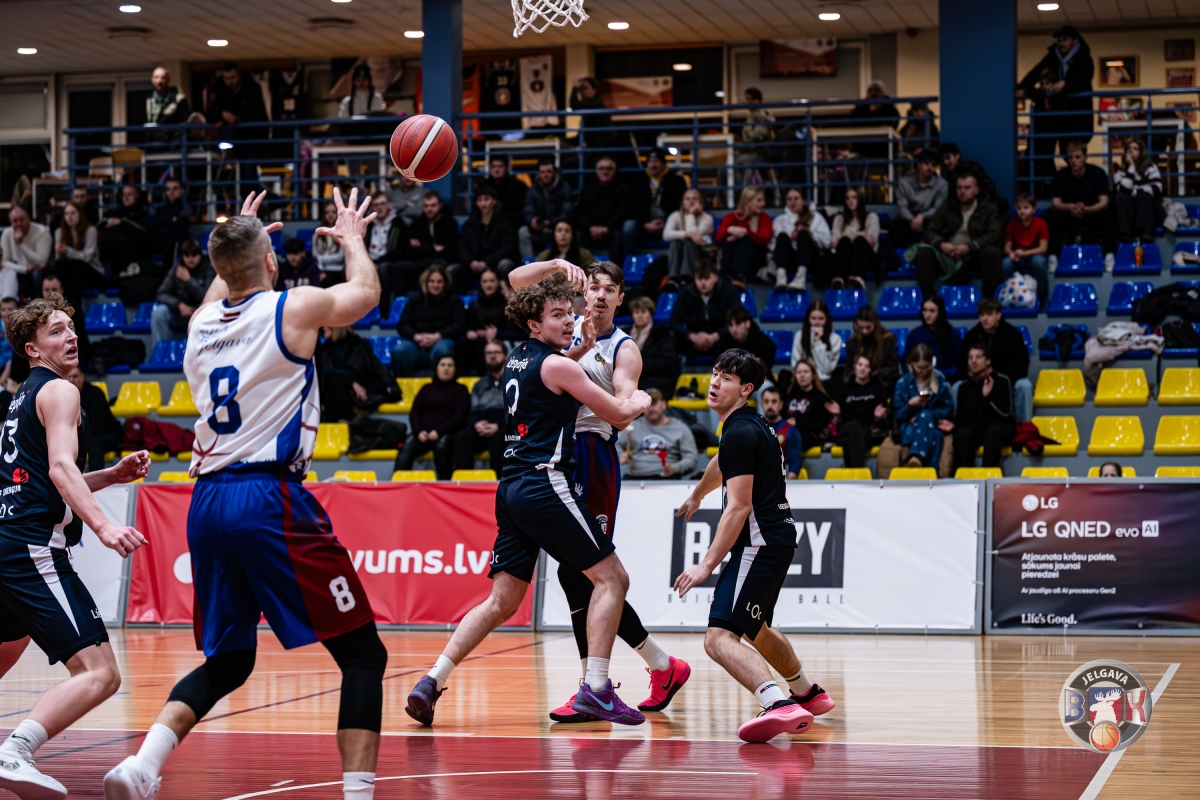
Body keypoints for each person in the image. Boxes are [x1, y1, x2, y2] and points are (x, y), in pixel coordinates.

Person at [104, 189, 388, 800]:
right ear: (271, 261)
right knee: (363, 655)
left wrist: (240, 236)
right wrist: (352, 238)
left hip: (206, 501)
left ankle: (141, 766)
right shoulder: (292, 306)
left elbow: (223, 281)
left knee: (230, 661)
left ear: (219, 267)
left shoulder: (200, 324)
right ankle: (358, 794)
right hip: (267, 496)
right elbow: (366, 295)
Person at [404, 271, 652, 728]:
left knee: (502, 600)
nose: (569, 320)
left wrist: (578, 348)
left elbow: (555, 369)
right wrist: (640, 399)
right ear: (535, 324)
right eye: (558, 315)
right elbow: (618, 415)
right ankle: (597, 688)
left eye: (569, 313)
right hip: (545, 484)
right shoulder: (561, 366)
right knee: (612, 578)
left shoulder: (517, 359)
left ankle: (431, 680)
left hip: (510, 488)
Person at [508, 260, 688, 721]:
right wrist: (554, 264)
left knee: (586, 574)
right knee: (576, 575)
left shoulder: (624, 349)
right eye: (594, 287)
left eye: (610, 289)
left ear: (621, 298)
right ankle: (644, 671)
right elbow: (515, 282)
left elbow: (622, 411)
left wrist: (631, 402)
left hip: (593, 454)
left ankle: (602, 684)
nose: (601, 295)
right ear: (582, 293)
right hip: (557, 454)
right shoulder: (563, 330)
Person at [0, 297, 150, 800]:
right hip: (31, 547)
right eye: (57, 331)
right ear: (32, 349)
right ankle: (14, 752)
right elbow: (61, 470)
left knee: (4, 654)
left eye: (71, 328)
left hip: (7, 543)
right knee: (100, 673)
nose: (71, 336)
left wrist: (110, 475)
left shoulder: (22, 398)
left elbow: (44, 478)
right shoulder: (61, 390)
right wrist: (104, 527)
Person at [674, 349, 835, 743]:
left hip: (758, 544)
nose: (715, 382)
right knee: (756, 628)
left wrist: (706, 564)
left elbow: (739, 507)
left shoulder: (740, 432)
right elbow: (721, 463)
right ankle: (806, 693)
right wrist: (698, 494)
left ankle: (777, 702)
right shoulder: (750, 425)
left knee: (718, 638)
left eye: (726, 378)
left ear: (746, 389)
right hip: (776, 540)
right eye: (715, 373)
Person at [1018, 26, 1095, 183]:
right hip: (1057, 117)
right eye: (1059, 40)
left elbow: (1084, 80)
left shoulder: (1084, 59)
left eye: (1064, 40)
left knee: (1071, 154)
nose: (1061, 43)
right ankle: (1055, 187)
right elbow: (1035, 73)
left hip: (1076, 117)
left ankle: (1079, 186)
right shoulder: (1053, 57)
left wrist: (1065, 84)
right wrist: (1022, 87)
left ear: (1075, 41)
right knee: (1047, 154)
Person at [913, 173, 1004, 301]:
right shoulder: (947, 207)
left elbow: (994, 235)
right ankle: (929, 300)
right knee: (923, 253)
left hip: (973, 254)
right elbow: (929, 232)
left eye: (967, 188)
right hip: (947, 254)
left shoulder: (989, 209)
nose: (962, 191)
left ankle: (987, 301)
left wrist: (970, 247)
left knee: (992, 253)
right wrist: (941, 244)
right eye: (959, 188)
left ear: (976, 190)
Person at [394, 354, 469, 479]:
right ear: (436, 368)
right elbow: (414, 413)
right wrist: (418, 431)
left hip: (447, 433)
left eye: (450, 365)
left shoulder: (461, 389)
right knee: (407, 444)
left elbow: (460, 415)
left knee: (441, 445)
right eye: (442, 365)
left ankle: (445, 484)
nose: (446, 368)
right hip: (422, 434)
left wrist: (439, 432)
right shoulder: (426, 388)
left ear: (455, 370)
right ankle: (398, 483)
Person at [959, 298, 1032, 421]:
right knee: (957, 386)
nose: (985, 319)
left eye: (989, 314)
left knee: (1024, 386)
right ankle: (959, 425)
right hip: (977, 382)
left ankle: (1023, 427)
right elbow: (962, 365)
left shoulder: (1013, 335)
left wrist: (997, 377)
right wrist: (974, 376)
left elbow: (1022, 366)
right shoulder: (971, 336)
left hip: (1006, 383)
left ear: (998, 315)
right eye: (982, 315)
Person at [948, 344, 1015, 473]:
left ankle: (988, 477)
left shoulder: (1002, 381)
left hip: (1000, 426)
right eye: (970, 357)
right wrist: (953, 425)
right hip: (977, 428)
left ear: (988, 360)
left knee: (993, 434)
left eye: (978, 357)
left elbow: (1006, 414)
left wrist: (988, 397)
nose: (973, 361)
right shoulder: (964, 387)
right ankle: (966, 478)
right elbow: (963, 418)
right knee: (962, 435)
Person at [1047, 141, 1114, 267]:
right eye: (1070, 157)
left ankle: (1109, 255)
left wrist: (1087, 209)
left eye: (1077, 157)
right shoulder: (1060, 176)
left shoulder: (1097, 173)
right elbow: (1055, 202)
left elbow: (1104, 201)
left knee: (1108, 214)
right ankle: (1053, 256)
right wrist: (1070, 207)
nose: (1074, 161)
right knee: (1052, 215)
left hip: (1092, 215)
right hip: (1069, 216)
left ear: (1085, 157)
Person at [391, 264, 464, 377]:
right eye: (432, 281)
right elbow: (403, 325)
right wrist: (416, 336)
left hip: (442, 339)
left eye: (439, 282)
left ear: (445, 283)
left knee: (443, 350)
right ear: (425, 282)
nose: (435, 285)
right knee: (398, 351)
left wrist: (438, 336)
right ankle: (404, 386)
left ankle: (440, 386)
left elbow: (459, 325)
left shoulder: (454, 300)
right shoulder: (414, 300)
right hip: (417, 343)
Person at [315, 325, 395, 422]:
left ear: (336, 326)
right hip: (340, 390)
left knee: (334, 382)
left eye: (327, 325)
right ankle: (340, 422)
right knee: (331, 384)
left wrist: (351, 382)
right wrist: (352, 382)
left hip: (364, 389)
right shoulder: (325, 348)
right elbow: (324, 371)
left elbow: (360, 372)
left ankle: (345, 421)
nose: (323, 327)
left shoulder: (356, 344)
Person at [452, 340, 508, 475]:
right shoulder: (479, 384)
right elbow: (472, 411)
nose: (492, 356)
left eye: (496, 352)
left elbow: (518, 411)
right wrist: (476, 424)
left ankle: (500, 484)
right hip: (482, 425)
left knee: (499, 440)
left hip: (505, 425)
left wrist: (498, 425)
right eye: (488, 353)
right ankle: (464, 482)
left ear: (505, 356)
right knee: (461, 438)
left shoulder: (514, 381)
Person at [893, 345, 953, 469]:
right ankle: (931, 472)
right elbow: (897, 414)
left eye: (927, 367)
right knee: (935, 435)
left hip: (933, 423)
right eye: (919, 368)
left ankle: (916, 457)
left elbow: (948, 409)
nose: (923, 371)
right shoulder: (902, 384)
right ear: (911, 364)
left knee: (926, 417)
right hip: (909, 427)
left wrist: (924, 417)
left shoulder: (940, 381)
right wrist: (910, 406)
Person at [617, 388, 698, 479]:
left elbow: (691, 458)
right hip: (635, 477)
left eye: (654, 404)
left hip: (667, 478)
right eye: (647, 406)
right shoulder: (632, 426)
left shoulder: (680, 428)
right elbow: (616, 444)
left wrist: (674, 468)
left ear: (664, 404)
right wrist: (620, 455)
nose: (651, 409)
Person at [669, 260, 742, 360]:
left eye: (707, 278)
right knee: (669, 340)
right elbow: (674, 322)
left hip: (720, 337)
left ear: (715, 277)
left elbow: (737, 318)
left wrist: (714, 337)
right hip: (693, 337)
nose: (703, 283)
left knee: (736, 338)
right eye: (699, 279)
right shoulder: (686, 292)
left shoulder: (729, 291)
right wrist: (692, 336)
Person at [457, 267, 523, 375]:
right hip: (477, 339)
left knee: (485, 343)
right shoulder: (474, 304)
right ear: (480, 283)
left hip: (501, 339)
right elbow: (465, 325)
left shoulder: (506, 305)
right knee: (462, 343)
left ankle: (485, 377)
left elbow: (517, 332)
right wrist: (469, 332)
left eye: (492, 281)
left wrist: (497, 333)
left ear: (498, 282)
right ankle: (461, 377)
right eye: (485, 281)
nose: (488, 285)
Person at [829, 354, 889, 469]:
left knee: (848, 441)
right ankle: (858, 472)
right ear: (854, 367)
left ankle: (852, 472)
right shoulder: (844, 389)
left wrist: (878, 417)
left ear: (871, 370)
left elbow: (883, 420)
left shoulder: (878, 389)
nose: (862, 368)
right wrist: (837, 415)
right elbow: (836, 424)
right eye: (860, 365)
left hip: (868, 432)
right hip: (847, 428)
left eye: (867, 366)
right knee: (853, 427)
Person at [455, 185, 519, 291]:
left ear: (494, 201)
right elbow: (461, 246)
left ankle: (510, 297)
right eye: (479, 200)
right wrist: (471, 261)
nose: (483, 203)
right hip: (474, 266)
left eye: (486, 199)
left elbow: (507, 247)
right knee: (453, 270)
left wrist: (486, 262)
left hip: (495, 263)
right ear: (476, 203)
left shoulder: (505, 222)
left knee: (506, 265)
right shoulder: (469, 224)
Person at [152, 239, 214, 343]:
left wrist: (189, 280)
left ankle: (203, 350)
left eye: (194, 255)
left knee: (206, 310)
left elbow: (208, 298)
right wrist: (179, 305)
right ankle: (161, 350)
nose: (190, 259)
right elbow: (161, 293)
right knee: (158, 313)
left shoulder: (209, 268)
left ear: (200, 255)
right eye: (187, 255)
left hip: (200, 311)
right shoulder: (178, 267)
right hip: (180, 312)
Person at [576, 158, 635, 265]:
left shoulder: (622, 189)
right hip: (590, 230)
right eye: (602, 168)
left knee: (618, 235)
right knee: (579, 235)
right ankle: (585, 269)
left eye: (609, 168)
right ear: (596, 171)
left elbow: (622, 212)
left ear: (614, 171)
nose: (605, 171)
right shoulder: (587, 189)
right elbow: (580, 212)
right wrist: (590, 228)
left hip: (611, 229)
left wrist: (607, 228)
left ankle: (614, 271)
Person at [889, 150, 948, 255]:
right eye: (926, 163)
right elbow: (902, 207)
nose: (930, 167)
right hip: (907, 218)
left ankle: (932, 256)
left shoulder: (941, 184)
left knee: (939, 227)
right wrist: (913, 220)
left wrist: (922, 216)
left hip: (928, 218)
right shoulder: (905, 182)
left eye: (933, 165)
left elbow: (937, 208)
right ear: (919, 165)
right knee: (897, 227)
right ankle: (896, 257)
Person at [398, 191, 459, 291]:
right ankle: (401, 299)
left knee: (438, 266)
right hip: (421, 262)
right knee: (398, 267)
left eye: (433, 206)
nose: (429, 209)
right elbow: (410, 252)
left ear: (440, 206)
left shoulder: (451, 223)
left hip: (442, 262)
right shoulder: (417, 224)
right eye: (426, 206)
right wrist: (433, 249)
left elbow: (449, 252)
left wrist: (422, 248)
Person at [206, 61, 270, 157]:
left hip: (252, 137)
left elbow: (256, 112)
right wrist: (222, 114)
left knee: (249, 162)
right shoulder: (220, 90)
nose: (230, 81)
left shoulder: (252, 88)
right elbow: (212, 112)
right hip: (231, 139)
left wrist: (235, 116)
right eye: (226, 78)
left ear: (239, 76)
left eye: (232, 77)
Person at [771, 188, 830, 291]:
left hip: (810, 260)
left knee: (803, 234)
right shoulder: (780, 220)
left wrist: (810, 234)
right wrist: (790, 239)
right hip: (789, 260)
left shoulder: (816, 217)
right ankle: (781, 277)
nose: (792, 202)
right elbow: (771, 245)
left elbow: (827, 242)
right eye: (789, 199)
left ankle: (801, 277)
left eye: (796, 198)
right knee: (782, 236)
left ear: (803, 201)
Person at [67, 365, 122, 472]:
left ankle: (97, 478)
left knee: (93, 443)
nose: (71, 380)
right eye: (68, 377)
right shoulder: (64, 395)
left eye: (75, 376)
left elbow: (97, 426)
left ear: (83, 377)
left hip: (108, 433)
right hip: (84, 434)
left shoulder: (95, 393)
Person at [715, 186, 772, 288]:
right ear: (748, 202)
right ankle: (728, 275)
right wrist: (729, 231)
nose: (763, 204)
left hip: (755, 260)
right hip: (732, 258)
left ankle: (738, 276)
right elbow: (719, 239)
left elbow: (765, 239)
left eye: (763, 200)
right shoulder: (731, 216)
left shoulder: (764, 218)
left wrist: (746, 232)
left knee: (747, 240)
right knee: (728, 240)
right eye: (759, 201)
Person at [1001, 193, 1051, 310]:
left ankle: (1043, 298)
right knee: (1006, 263)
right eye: (1019, 208)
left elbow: (1043, 248)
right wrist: (1011, 254)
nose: (1022, 211)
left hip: (1035, 256)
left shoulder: (1041, 223)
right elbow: (1007, 247)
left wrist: (1024, 253)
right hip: (1018, 257)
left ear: (1034, 209)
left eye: (1026, 208)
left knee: (1038, 262)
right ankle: (1006, 295)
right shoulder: (1012, 224)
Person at [630, 148, 688, 247]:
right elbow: (634, 205)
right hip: (644, 223)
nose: (653, 165)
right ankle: (630, 256)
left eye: (656, 161)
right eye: (650, 162)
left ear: (663, 163)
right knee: (629, 227)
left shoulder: (676, 180)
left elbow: (680, 204)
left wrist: (667, 222)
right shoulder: (638, 181)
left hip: (669, 222)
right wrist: (645, 223)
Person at [519, 157, 575, 259]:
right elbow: (527, 210)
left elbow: (567, 214)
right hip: (538, 230)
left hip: (556, 228)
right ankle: (529, 265)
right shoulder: (533, 190)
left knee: (565, 231)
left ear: (555, 172)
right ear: (538, 173)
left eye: (549, 171)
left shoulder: (565, 188)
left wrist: (549, 222)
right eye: (542, 172)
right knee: (523, 232)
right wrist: (532, 221)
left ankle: (563, 262)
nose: (545, 175)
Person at [624, 295, 678, 398]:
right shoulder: (624, 333)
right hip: (629, 379)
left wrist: (639, 365)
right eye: (636, 312)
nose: (640, 315)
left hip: (655, 380)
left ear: (650, 313)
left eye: (643, 312)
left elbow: (668, 362)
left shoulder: (662, 333)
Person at [1112, 137, 1162, 244]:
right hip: (1131, 213)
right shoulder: (1119, 173)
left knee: (1143, 197)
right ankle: (1125, 235)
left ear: (1141, 152)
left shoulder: (1151, 168)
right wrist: (1131, 168)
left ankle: (1145, 233)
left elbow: (1157, 190)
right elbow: (1123, 191)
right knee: (1123, 199)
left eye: (1135, 149)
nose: (1131, 151)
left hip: (1150, 212)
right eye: (1129, 148)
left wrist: (1134, 191)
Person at [828, 187, 880, 289]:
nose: (850, 201)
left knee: (859, 241)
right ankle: (839, 279)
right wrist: (859, 235)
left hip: (866, 257)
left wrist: (849, 234)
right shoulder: (839, 218)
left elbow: (870, 241)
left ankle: (859, 277)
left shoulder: (871, 216)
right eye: (847, 198)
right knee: (845, 241)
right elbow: (834, 242)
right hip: (847, 257)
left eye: (854, 197)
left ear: (860, 199)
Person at [841, 305, 900, 392]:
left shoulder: (888, 340)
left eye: (868, 327)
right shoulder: (852, 342)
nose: (865, 331)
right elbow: (848, 370)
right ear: (856, 325)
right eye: (861, 328)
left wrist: (873, 374)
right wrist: (860, 374)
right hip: (858, 385)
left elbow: (893, 369)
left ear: (875, 324)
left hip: (881, 385)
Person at [52, 200, 105, 298]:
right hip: (70, 271)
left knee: (77, 265)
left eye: (73, 213)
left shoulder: (90, 230)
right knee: (60, 265)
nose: (69, 217)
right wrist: (59, 251)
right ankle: (61, 298)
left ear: (80, 214)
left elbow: (87, 258)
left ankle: (73, 301)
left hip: (91, 270)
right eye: (66, 213)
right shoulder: (59, 232)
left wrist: (67, 251)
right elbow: (58, 258)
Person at [364, 192, 408, 311]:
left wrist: (378, 262)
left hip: (389, 262)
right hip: (368, 261)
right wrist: (369, 262)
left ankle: (384, 313)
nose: (379, 208)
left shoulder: (398, 223)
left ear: (389, 205)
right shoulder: (367, 224)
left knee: (383, 269)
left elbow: (402, 251)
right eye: (376, 205)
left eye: (382, 204)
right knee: (347, 270)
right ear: (371, 208)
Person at [664, 188, 714, 289]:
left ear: (701, 202)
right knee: (675, 244)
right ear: (683, 203)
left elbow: (695, 236)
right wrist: (687, 234)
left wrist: (691, 215)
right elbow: (666, 235)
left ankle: (687, 277)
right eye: (687, 199)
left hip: (701, 253)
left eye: (695, 199)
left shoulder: (707, 218)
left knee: (689, 244)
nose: (691, 201)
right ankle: (673, 279)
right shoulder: (675, 216)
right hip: (679, 253)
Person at [100, 184, 151, 282]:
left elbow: (143, 230)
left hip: (134, 245)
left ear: (137, 196)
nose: (126, 197)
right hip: (111, 244)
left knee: (118, 242)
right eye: (124, 194)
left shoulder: (143, 211)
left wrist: (122, 222)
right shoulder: (115, 212)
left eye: (129, 194)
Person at [784, 359, 833, 459]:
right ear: (795, 376)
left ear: (813, 375)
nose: (802, 375)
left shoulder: (820, 397)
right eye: (799, 372)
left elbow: (820, 421)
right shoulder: (789, 396)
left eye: (806, 372)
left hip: (810, 435)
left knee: (793, 436)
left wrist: (797, 421)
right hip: (788, 431)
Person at [904, 294, 961, 380]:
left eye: (932, 311)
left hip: (947, 380)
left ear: (940, 312)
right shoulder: (914, 335)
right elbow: (907, 363)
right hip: (919, 380)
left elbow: (959, 365)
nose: (927, 315)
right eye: (925, 310)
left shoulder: (953, 334)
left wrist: (940, 375)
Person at [2, 206, 52, 300]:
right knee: (11, 274)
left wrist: (21, 244)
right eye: (15, 221)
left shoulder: (42, 232)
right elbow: (3, 261)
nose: (19, 224)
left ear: (28, 218)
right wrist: (24, 269)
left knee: (37, 274)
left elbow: (42, 261)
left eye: (22, 220)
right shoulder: (7, 234)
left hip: (38, 270)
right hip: (19, 269)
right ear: (11, 222)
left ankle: (38, 302)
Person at [759, 384, 805, 479]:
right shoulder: (754, 429)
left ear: (781, 405)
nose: (770, 405)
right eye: (766, 402)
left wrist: (790, 480)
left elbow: (795, 460)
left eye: (774, 402)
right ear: (761, 404)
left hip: (782, 478)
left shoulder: (791, 430)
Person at [791, 299, 842, 384]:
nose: (817, 322)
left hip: (824, 381)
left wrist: (818, 343)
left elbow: (827, 370)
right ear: (808, 319)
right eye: (813, 318)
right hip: (803, 381)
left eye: (821, 318)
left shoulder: (835, 339)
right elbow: (795, 364)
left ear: (827, 319)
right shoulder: (799, 335)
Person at [145, 177, 193, 266]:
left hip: (174, 242)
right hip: (157, 240)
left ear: (181, 190)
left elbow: (181, 225)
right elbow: (149, 224)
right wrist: (170, 218)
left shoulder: (185, 207)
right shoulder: (158, 207)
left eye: (175, 189)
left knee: (172, 240)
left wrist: (160, 221)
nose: (171, 192)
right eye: (168, 189)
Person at [477, 154, 527, 223]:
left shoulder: (518, 186)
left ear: (506, 168)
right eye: (493, 166)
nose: (496, 170)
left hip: (512, 223)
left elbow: (523, 210)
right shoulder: (482, 186)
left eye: (500, 166)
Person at [145, 66, 191, 141]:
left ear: (168, 80)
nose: (159, 81)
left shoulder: (179, 98)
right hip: (153, 141)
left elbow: (185, 121)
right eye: (156, 77)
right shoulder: (149, 99)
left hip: (171, 142)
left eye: (162, 78)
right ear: (152, 80)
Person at [314, 202, 346, 285]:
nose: (330, 215)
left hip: (338, 271)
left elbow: (340, 258)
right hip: (321, 271)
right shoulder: (317, 234)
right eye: (327, 212)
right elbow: (316, 256)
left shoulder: (343, 233)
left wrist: (322, 259)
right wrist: (321, 270)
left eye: (333, 212)